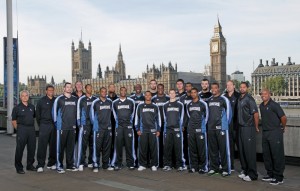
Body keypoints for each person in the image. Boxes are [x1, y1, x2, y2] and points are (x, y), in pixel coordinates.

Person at [260, 89, 287, 185]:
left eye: (265, 94)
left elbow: (283, 118)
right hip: (265, 133)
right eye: (262, 94)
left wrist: (282, 128)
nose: (263, 95)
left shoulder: (275, 105)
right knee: (267, 155)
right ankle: (270, 174)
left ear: (269, 95)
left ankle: (279, 177)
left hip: (275, 132)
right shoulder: (261, 105)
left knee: (277, 155)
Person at [207, 82, 232, 177]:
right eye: (212, 88)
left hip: (221, 128)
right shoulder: (209, 100)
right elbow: (207, 115)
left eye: (215, 88)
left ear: (218, 89)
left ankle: (226, 169)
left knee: (223, 149)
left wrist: (224, 126)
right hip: (211, 128)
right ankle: (214, 168)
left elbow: (229, 115)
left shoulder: (224, 99)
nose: (213, 89)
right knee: (213, 150)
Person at [52, 82, 78, 173]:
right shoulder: (59, 99)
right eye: (67, 87)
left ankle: (70, 165)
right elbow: (54, 114)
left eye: (70, 87)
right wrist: (58, 125)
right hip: (62, 127)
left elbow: (77, 113)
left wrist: (76, 124)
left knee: (71, 147)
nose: (69, 88)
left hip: (72, 127)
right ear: (64, 88)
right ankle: (59, 165)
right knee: (60, 148)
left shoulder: (75, 99)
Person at [237, 82, 259, 182]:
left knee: (249, 152)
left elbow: (255, 113)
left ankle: (253, 174)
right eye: (240, 87)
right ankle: (245, 171)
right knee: (242, 151)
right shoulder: (239, 98)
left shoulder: (249, 99)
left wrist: (256, 126)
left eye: (244, 87)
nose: (242, 89)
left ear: (247, 88)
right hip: (241, 127)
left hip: (248, 127)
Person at [111, 87, 136, 170]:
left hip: (128, 127)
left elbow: (133, 114)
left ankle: (130, 163)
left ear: (126, 92)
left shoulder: (131, 102)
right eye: (122, 90)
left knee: (129, 146)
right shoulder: (114, 103)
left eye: (125, 90)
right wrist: (119, 123)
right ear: (119, 91)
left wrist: (129, 123)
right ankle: (118, 163)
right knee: (118, 146)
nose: (123, 92)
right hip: (119, 127)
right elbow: (114, 115)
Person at [135, 91, 161, 171]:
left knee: (153, 148)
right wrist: (137, 129)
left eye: (149, 95)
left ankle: (154, 164)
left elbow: (158, 119)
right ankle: (142, 164)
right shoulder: (140, 106)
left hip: (153, 130)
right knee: (143, 148)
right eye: (146, 95)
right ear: (144, 96)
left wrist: (158, 130)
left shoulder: (155, 106)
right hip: (143, 130)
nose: (148, 96)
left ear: (151, 96)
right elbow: (137, 118)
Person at [12, 90, 37, 174]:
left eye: (26, 95)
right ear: (20, 97)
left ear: (28, 96)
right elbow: (14, 121)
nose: (25, 97)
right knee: (20, 149)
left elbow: (33, 117)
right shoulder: (17, 108)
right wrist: (18, 130)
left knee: (32, 148)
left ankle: (30, 165)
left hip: (31, 129)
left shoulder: (32, 107)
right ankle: (19, 167)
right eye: (23, 96)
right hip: (21, 129)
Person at [90, 87, 113, 172]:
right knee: (97, 148)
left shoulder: (110, 102)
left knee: (107, 147)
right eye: (102, 91)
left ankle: (105, 164)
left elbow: (112, 114)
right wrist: (95, 126)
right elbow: (92, 116)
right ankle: (95, 164)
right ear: (100, 92)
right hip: (98, 129)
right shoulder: (95, 102)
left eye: (105, 91)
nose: (104, 93)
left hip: (108, 128)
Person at [162, 89, 186, 171]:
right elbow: (165, 118)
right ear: (168, 94)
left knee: (178, 147)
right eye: (170, 93)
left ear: (175, 94)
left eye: (173, 93)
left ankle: (179, 165)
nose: (172, 94)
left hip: (177, 129)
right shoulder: (165, 105)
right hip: (168, 129)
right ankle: (167, 165)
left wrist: (181, 126)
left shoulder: (180, 104)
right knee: (167, 148)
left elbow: (182, 116)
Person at [186, 87, 208, 174]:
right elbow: (189, 116)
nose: (193, 94)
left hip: (200, 130)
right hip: (191, 130)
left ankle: (203, 167)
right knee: (192, 149)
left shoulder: (203, 104)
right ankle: (194, 166)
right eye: (192, 93)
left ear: (197, 93)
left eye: (195, 92)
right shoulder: (189, 104)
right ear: (190, 94)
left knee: (201, 149)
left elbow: (207, 117)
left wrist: (202, 126)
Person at [76, 84, 97, 171]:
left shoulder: (95, 99)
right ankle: (81, 162)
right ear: (86, 89)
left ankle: (90, 162)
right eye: (88, 88)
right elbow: (78, 111)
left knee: (92, 144)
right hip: (85, 125)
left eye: (91, 87)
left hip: (93, 125)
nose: (90, 89)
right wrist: (79, 123)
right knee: (83, 145)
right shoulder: (81, 99)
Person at [36, 85, 56, 173]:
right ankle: (40, 165)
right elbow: (37, 115)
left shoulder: (56, 100)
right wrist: (41, 125)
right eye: (49, 90)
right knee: (42, 146)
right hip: (44, 125)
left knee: (53, 146)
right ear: (46, 91)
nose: (51, 91)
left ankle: (51, 163)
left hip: (54, 125)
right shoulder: (41, 101)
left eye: (52, 90)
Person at [223, 80, 240, 171]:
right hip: (227, 126)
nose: (228, 87)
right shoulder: (224, 97)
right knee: (229, 147)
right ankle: (231, 165)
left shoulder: (238, 96)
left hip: (237, 126)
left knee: (240, 146)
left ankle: (244, 167)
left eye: (230, 85)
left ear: (234, 86)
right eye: (227, 85)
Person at [152, 83, 170, 168]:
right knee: (157, 144)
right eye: (158, 88)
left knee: (167, 144)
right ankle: (159, 162)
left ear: (163, 88)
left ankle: (168, 162)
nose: (160, 89)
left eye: (161, 88)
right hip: (157, 125)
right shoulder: (153, 99)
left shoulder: (168, 98)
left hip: (166, 124)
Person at [130, 84, 145, 167]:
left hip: (143, 123)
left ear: (141, 88)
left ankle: (143, 161)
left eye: (139, 87)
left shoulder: (144, 97)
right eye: (136, 87)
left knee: (143, 144)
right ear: (134, 88)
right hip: (133, 124)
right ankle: (135, 161)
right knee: (134, 143)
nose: (138, 88)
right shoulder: (131, 98)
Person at [180, 82, 193, 166]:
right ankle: (186, 161)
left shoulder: (195, 96)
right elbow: (180, 112)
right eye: (186, 86)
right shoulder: (182, 98)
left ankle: (194, 161)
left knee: (193, 144)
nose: (188, 87)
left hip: (193, 124)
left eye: (189, 86)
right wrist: (182, 124)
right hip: (185, 124)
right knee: (185, 143)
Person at [107, 84, 118, 162]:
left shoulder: (118, 99)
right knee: (107, 142)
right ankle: (108, 159)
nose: (112, 88)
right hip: (107, 123)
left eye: (113, 87)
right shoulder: (105, 99)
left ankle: (115, 159)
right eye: (110, 87)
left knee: (116, 142)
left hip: (116, 124)